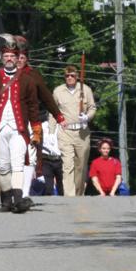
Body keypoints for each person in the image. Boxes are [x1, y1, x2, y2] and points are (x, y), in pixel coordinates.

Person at [0, 35, 42, 212]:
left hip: (19, 130)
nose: (9, 59)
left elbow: (33, 107)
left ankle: (18, 199)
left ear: (17, 58)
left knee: (18, 163)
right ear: (2, 58)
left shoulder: (27, 80)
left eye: (12, 56)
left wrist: (36, 130)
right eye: (6, 56)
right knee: (3, 166)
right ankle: (6, 201)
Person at [15, 37, 62, 199]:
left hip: (30, 121)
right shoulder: (5, 75)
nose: (19, 60)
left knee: (30, 156)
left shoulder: (34, 75)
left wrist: (58, 115)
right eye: (17, 57)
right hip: (10, 121)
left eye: (22, 57)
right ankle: (13, 191)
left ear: (26, 59)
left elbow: (47, 97)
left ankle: (25, 193)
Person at [52, 64, 97, 196]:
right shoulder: (58, 91)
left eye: (72, 75)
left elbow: (92, 108)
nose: (69, 78)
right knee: (67, 165)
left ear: (77, 76)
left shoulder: (86, 90)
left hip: (82, 132)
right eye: (67, 76)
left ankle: (78, 193)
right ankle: (69, 196)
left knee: (81, 166)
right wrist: (51, 131)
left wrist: (87, 117)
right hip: (65, 132)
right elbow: (53, 111)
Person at [30, 113, 63, 196]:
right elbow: (36, 144)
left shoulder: (61, 127)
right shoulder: (42, 127)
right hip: (46, 160)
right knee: (48, 188)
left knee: (62, 187)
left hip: (60, 160)